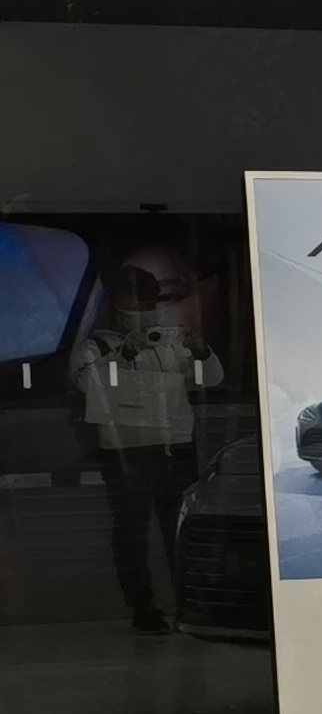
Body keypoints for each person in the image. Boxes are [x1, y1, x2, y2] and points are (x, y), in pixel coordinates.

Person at [72, 249, 218, 632]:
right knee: (132, 531)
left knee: (179, 527)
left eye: (151, 303)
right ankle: (142, 607)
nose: (143, 312)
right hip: (126, 450)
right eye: (135, 304)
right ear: (115, 304)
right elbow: (90, 385)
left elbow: (209, 379)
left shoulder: (168, 343)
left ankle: (189, 602)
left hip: (175, 445)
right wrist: (125, 354)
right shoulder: (96, 346)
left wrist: (199, 350)